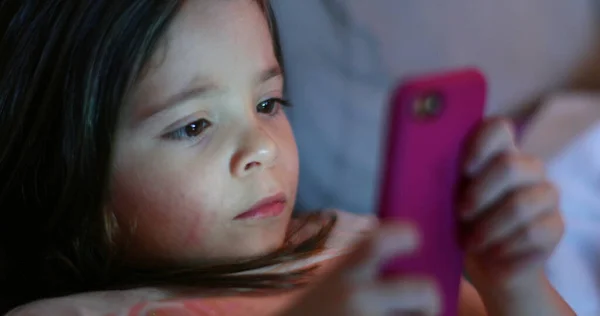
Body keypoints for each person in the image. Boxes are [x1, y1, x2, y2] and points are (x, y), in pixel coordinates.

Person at [0, 0, 573, 315]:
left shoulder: (349, 244)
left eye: (268, 102)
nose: (263, 146)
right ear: (67, 170)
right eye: (193, 125)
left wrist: (514, 283)